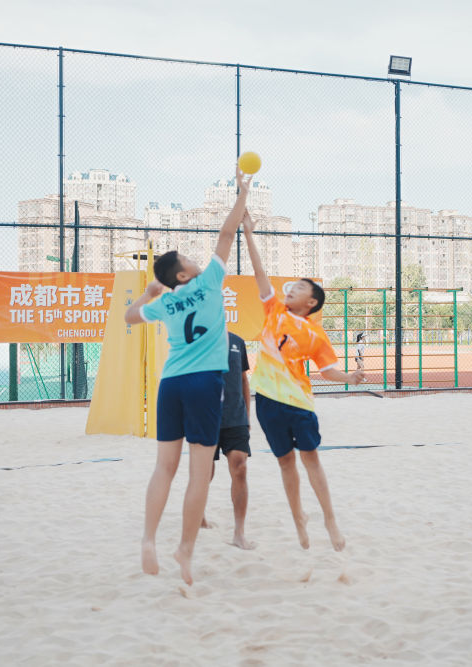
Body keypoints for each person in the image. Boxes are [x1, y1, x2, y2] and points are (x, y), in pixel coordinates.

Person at [123, 166, 253, 586]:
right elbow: (227, 233)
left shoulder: (164, 304)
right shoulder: (209, 281)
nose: (196, 259)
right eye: (188, 260)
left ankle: (148, 538)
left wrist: (148, 293)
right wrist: (242, 193)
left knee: (164, 467)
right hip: (204, 383)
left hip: (171, 384)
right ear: (183, 275)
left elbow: (129, 316)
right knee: (199, 474)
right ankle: (185, 549)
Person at [241, 211, 363, 551]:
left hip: (299, 403)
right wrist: (248, 234)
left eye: (298, 288)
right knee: (285, 462)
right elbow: (259, 272)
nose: (291, 290)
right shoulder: (274, 310)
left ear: (310, 303)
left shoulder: (315, 334)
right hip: (267, 402)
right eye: (291, 287)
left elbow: (327, 371)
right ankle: (299, 518)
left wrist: (350, 378)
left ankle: (330, 519)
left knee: (311, 458)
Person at [213, 331, 256, 551]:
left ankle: (239, 533)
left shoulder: (238, 342)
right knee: (204, 474)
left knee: (240, 467)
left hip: (235, 418)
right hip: (207, 419)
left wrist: (247, 416)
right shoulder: (197, 338)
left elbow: (243, 380)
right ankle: (199, 516)